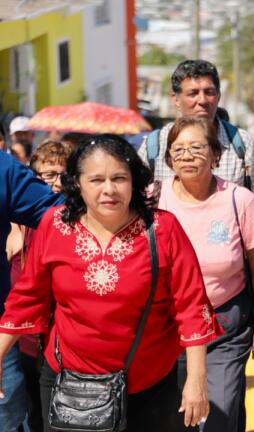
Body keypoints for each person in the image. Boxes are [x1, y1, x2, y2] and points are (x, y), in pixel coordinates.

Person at [0, 135, 221, 431]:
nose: (109, 189)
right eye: (96, 180)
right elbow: (28, 297)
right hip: (68, 386)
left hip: (148, 387)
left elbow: (192, 306)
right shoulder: (54, 225)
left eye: (119, 178)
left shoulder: (163, 229)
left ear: (135, 181)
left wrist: (196, 380)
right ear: (77, 183)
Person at [156, 116, 254, 431]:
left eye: (196, 147)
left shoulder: (238, 200)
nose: (187, 156)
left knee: (222, 413)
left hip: (226, 325)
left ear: (215, 154)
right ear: (168, 159)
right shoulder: (154, 201)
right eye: (178, 150)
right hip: (170, 327)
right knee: (180, 416)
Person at [5, 140, 72, 432]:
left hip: (37, 335)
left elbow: (68, 212)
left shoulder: (4, 172)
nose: (55, 182)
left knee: (19, 412)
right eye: (48, 175)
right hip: (22, 335)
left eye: (62, 175)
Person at [137, 59, 254, 187]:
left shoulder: (242, 144)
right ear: (176, 99)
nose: (202, 100)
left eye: (209, 92)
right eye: (193, 93)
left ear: (219, 96)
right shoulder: (154, 146)